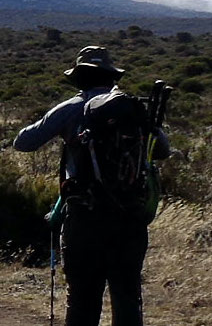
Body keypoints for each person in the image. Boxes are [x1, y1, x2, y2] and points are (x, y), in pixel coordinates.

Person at [14, 46, 169, 326]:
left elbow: (23, 142)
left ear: (79, 78)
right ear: (111, 77)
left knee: (83, 300)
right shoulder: (132, 110)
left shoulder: (71, 109)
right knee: (127, 298)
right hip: (130, 219)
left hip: (84, 220)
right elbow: (163, 150)